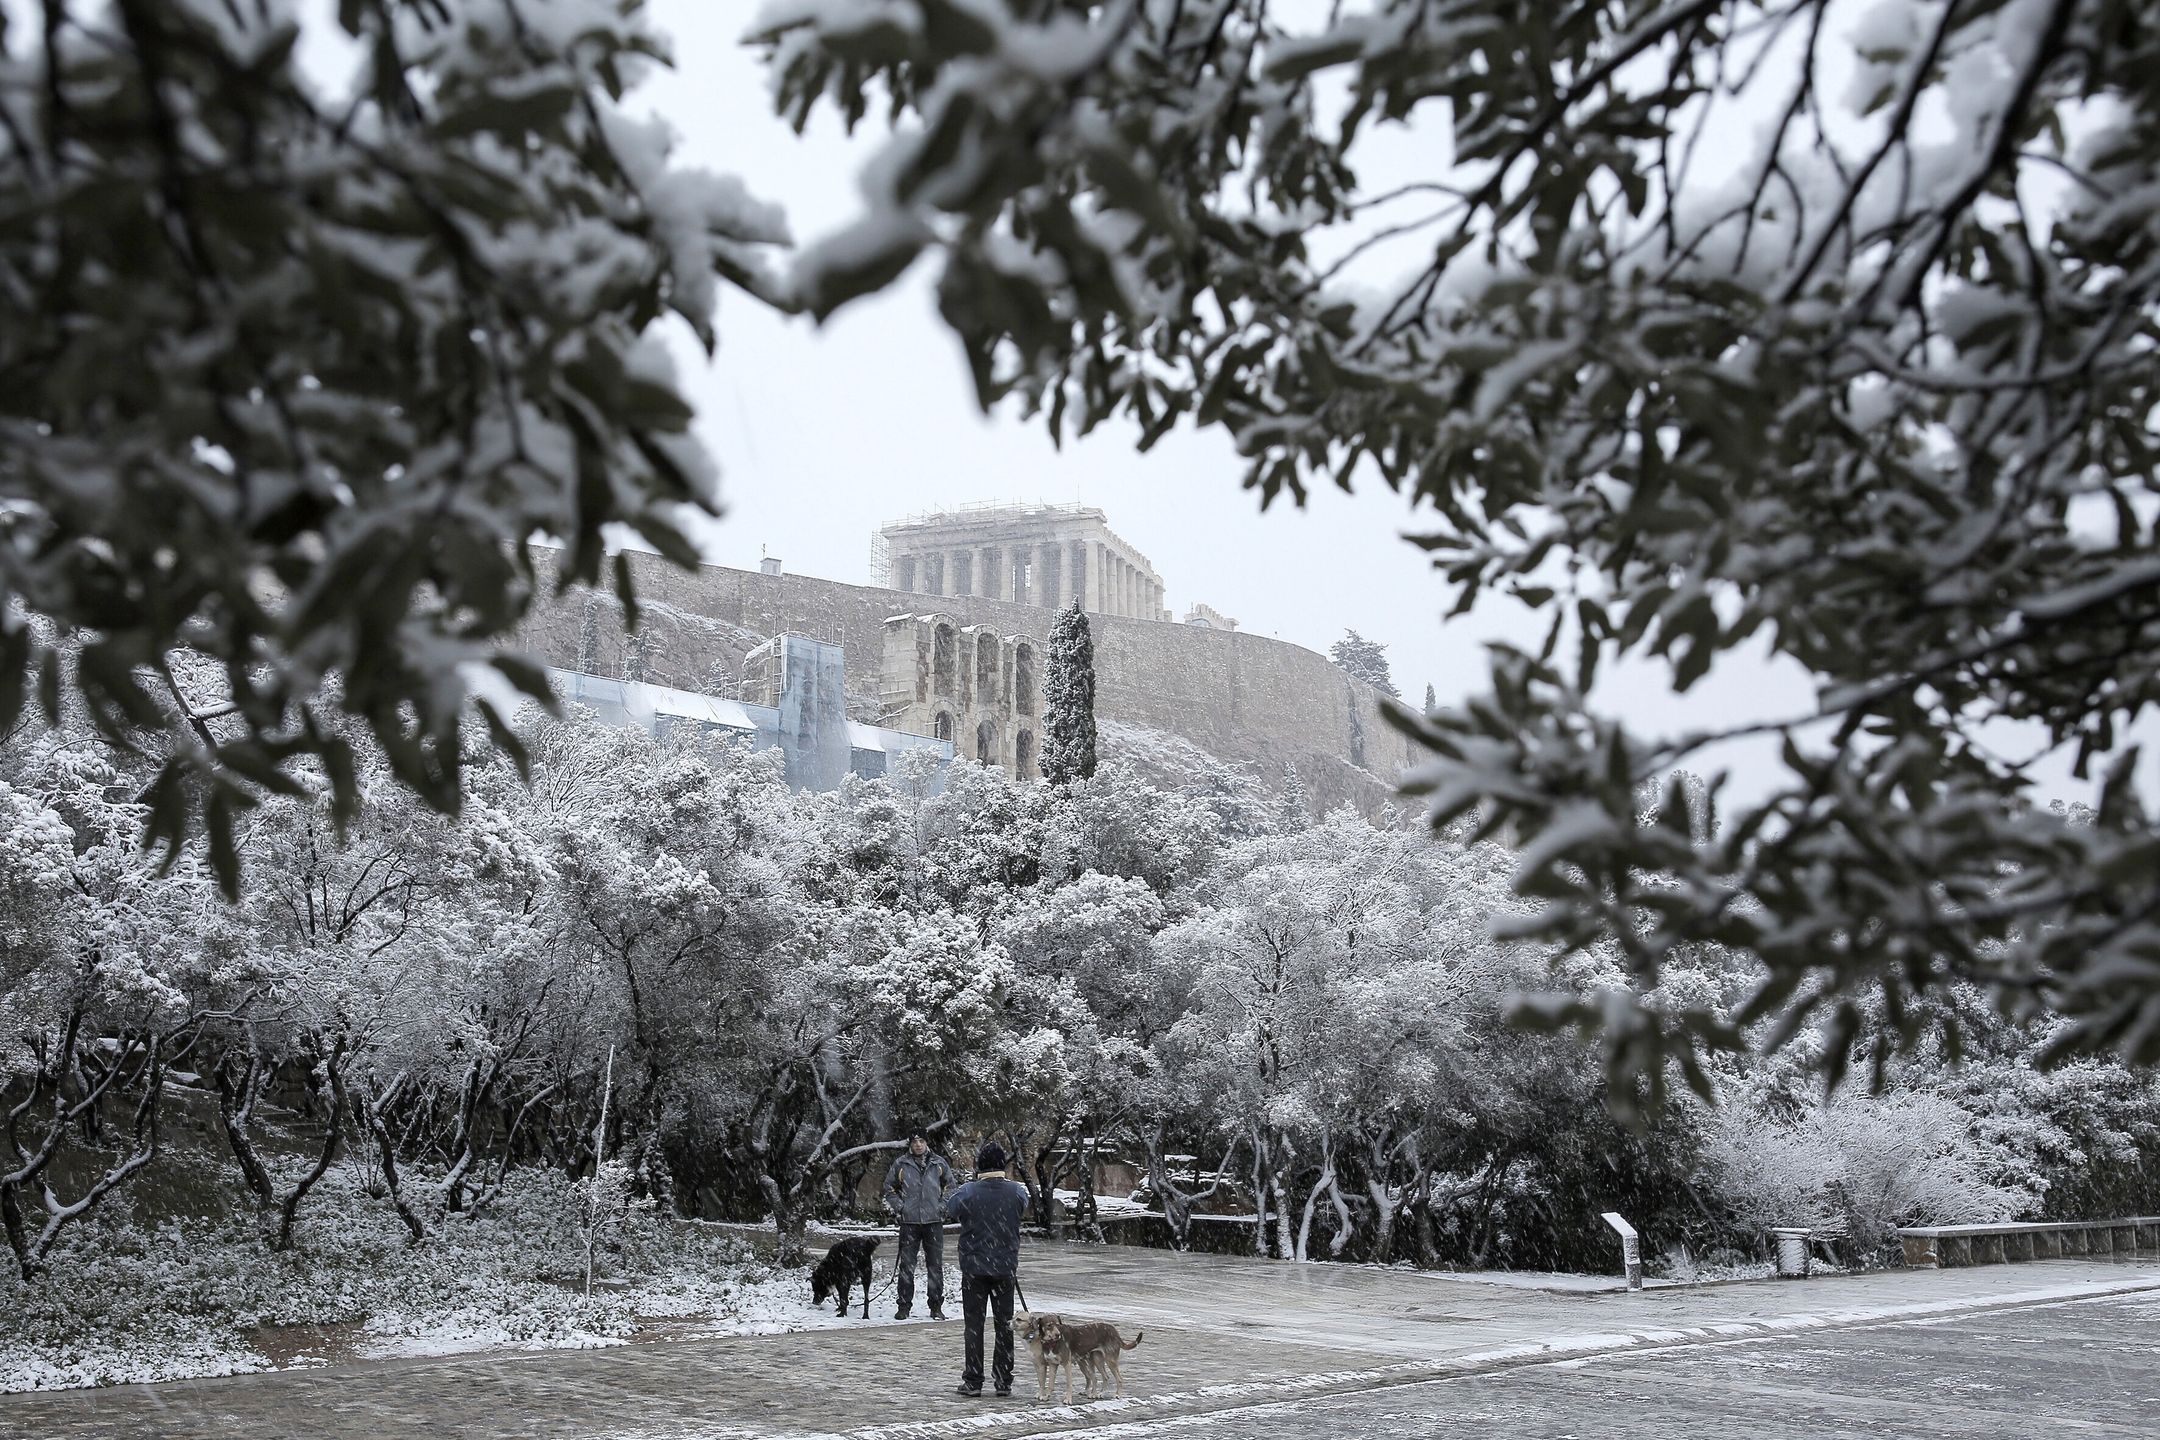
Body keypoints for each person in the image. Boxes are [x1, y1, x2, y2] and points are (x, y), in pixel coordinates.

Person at [943, 1141, 1030, 1398]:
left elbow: (951, 1209)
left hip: (974, 1268)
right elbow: (1021, 1208)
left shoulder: (968, 1192)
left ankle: (973, 1380)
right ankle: (1003, 1380)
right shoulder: (1016, 1191)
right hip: (1004, 1268)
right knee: (1006, 1326)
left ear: (980, 1165)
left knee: (974, 1325)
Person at [881, 1129, 955, 1320]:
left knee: (935, 1266)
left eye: (921, 1141)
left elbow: (951, 1187)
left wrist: (941, 1207)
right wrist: (900, 1207)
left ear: (926, 1143)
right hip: (909, 1222)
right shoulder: (901, 1164)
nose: (918, 1145)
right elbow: (889, 1187)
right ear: (910, 1144)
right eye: (914, 1142)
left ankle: (936, 1306)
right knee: (907, 1266)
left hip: (934, 1222)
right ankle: (904, 1305)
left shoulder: (939, 1163)